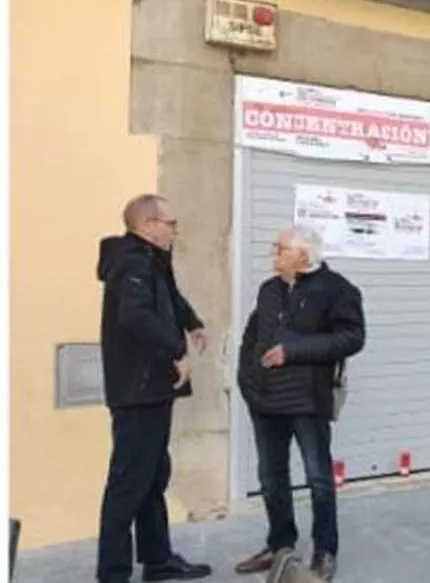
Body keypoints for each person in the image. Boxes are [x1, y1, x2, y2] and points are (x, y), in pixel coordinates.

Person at [234, 226, 366, 582]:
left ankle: (325, 551)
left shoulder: (337, 289)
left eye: (281, 249)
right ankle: (280, 546)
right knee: (271, 477)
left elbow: (352, 337)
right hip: (265, 401)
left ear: (304, 256)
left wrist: (293, 351)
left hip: (307, 400)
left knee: (318, 478)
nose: (273, 255)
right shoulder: (269, 289)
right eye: (274, 247)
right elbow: (252, 336)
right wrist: (247, 379)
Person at [95, 194, 212, 583]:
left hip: (151, 388)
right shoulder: (132, 262)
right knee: (129, 482)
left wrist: (192, 321)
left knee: (153, 475)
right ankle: (113, 573)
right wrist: (176, 352)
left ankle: (157, 559)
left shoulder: (151, 260)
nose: (175, 230)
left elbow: (169, 297)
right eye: (170, 223)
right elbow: (136, 315)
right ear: (147, 225)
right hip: (138, 388)